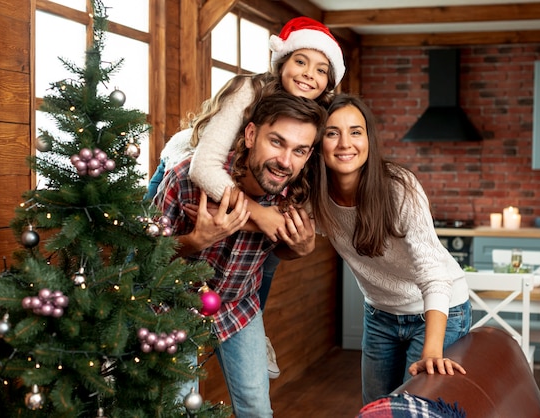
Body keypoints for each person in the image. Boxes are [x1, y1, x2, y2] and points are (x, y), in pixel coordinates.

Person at [145, 16, 345, 378]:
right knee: (142, 248)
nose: (307, 75)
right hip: (185, 163)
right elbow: (203, 169)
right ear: (281, 61)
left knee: (266, 258)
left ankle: (257, 324)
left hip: (238, 182)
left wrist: (275, 227)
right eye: (300, 61)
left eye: (320, 70)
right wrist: (264, 218)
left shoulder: (316, 118)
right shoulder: (251, 91)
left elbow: (310, 197)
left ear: (329, 83)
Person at [153, 91, 326, 417]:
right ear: (250, 135)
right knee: (177, 410)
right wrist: (194, 241)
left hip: (239, 305)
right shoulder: (186, 178)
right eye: (277, 142)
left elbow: (280, 252)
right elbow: (146, 258)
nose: (285, 161)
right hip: (172, 305)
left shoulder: (296, 196)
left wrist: (300, 249)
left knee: (258, 410)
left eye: (299, 150)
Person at [309, 94, 472, 405]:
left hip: (439, 311)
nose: (345, 143)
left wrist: (432, 351)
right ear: (319, 143)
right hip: (380, 314)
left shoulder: (399, 188)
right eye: (332, 132)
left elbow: (434, 274)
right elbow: (278, 221)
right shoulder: (315, 196)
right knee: (375, 407)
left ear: (369, 139)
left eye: (356, 131)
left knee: (414, 408)